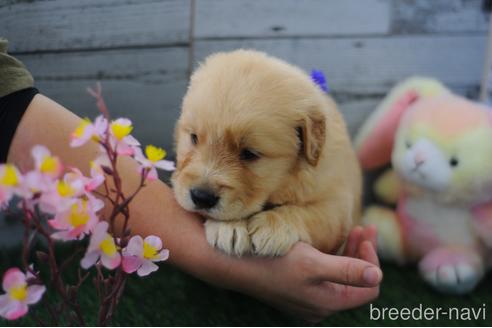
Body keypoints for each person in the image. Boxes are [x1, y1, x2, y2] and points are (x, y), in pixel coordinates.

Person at [0, 38, 381, 322]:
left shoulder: (321, 141)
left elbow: (336, 210)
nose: (204, 182)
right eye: (194, 138)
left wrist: (291, 221)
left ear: (308, 143)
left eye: (248, 155)